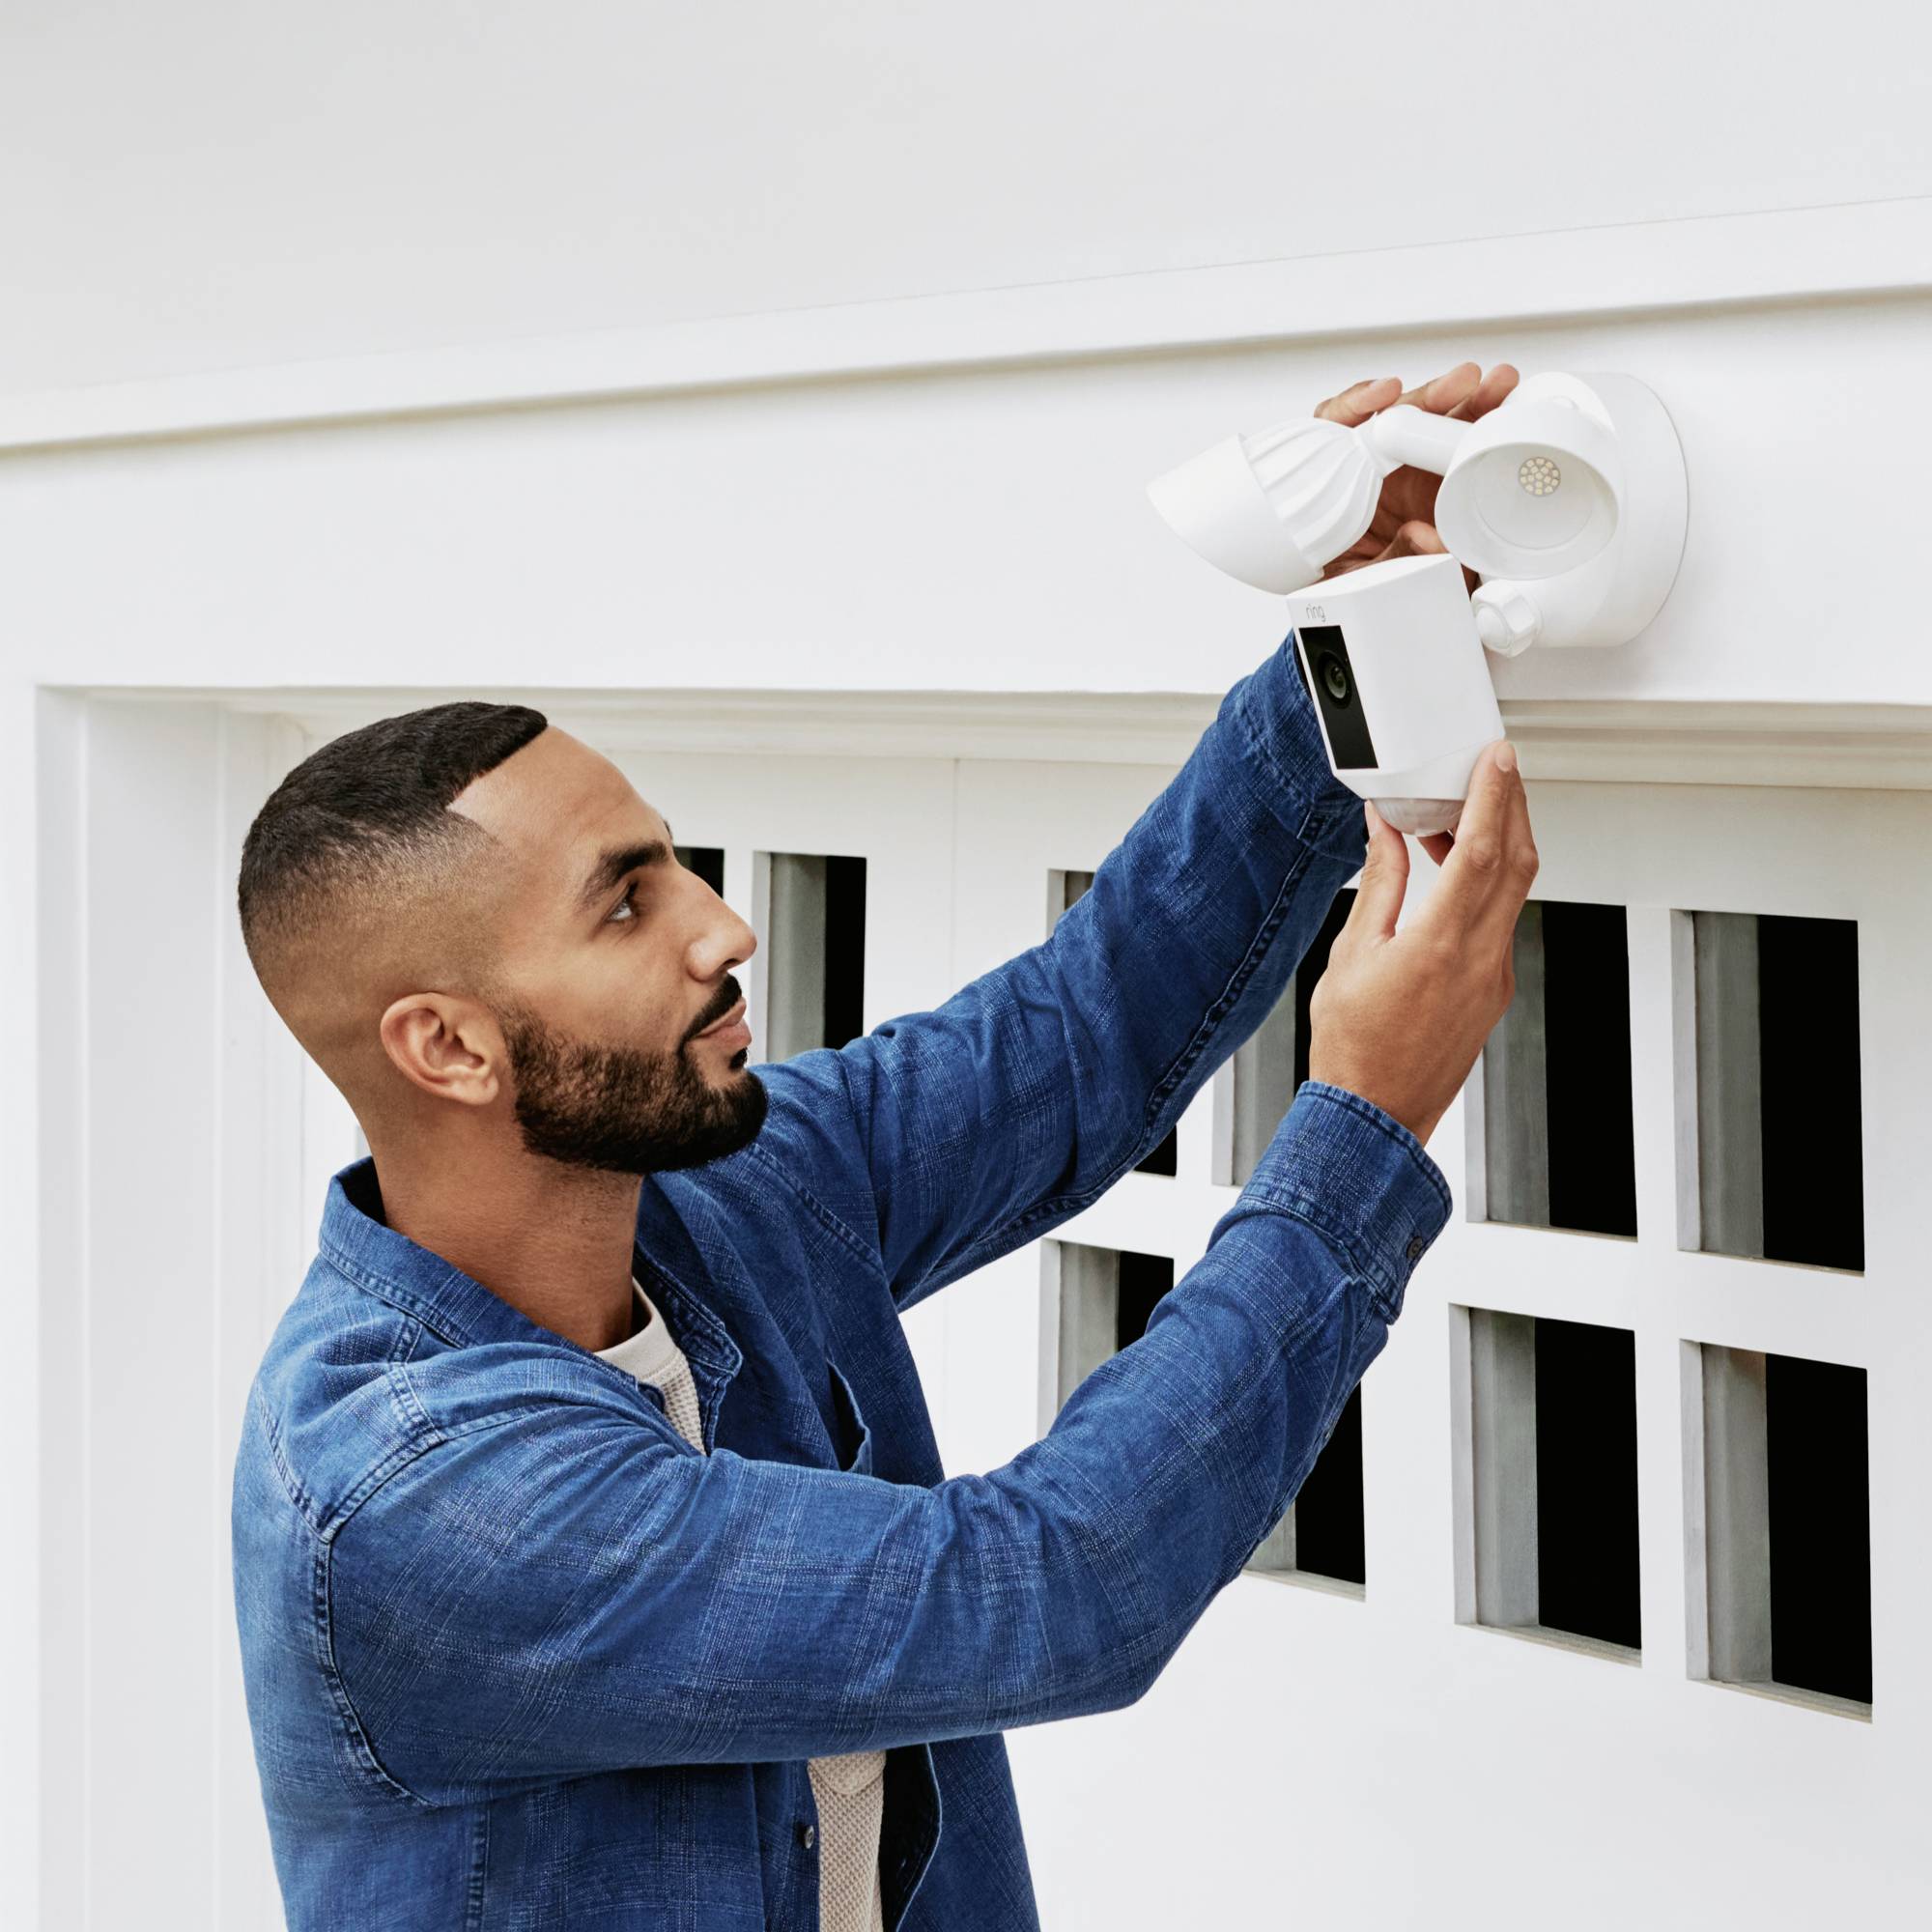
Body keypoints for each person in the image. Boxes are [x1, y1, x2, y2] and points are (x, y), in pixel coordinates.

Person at [231, 362, 1537, 1931]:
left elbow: (1079, 1037)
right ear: (446, 1046)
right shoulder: (423, 1501)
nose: (727, 927)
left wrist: (1352, 635)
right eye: (627, 903)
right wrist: (1366, 1126)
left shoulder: (725, 1192)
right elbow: (1054, 1588)